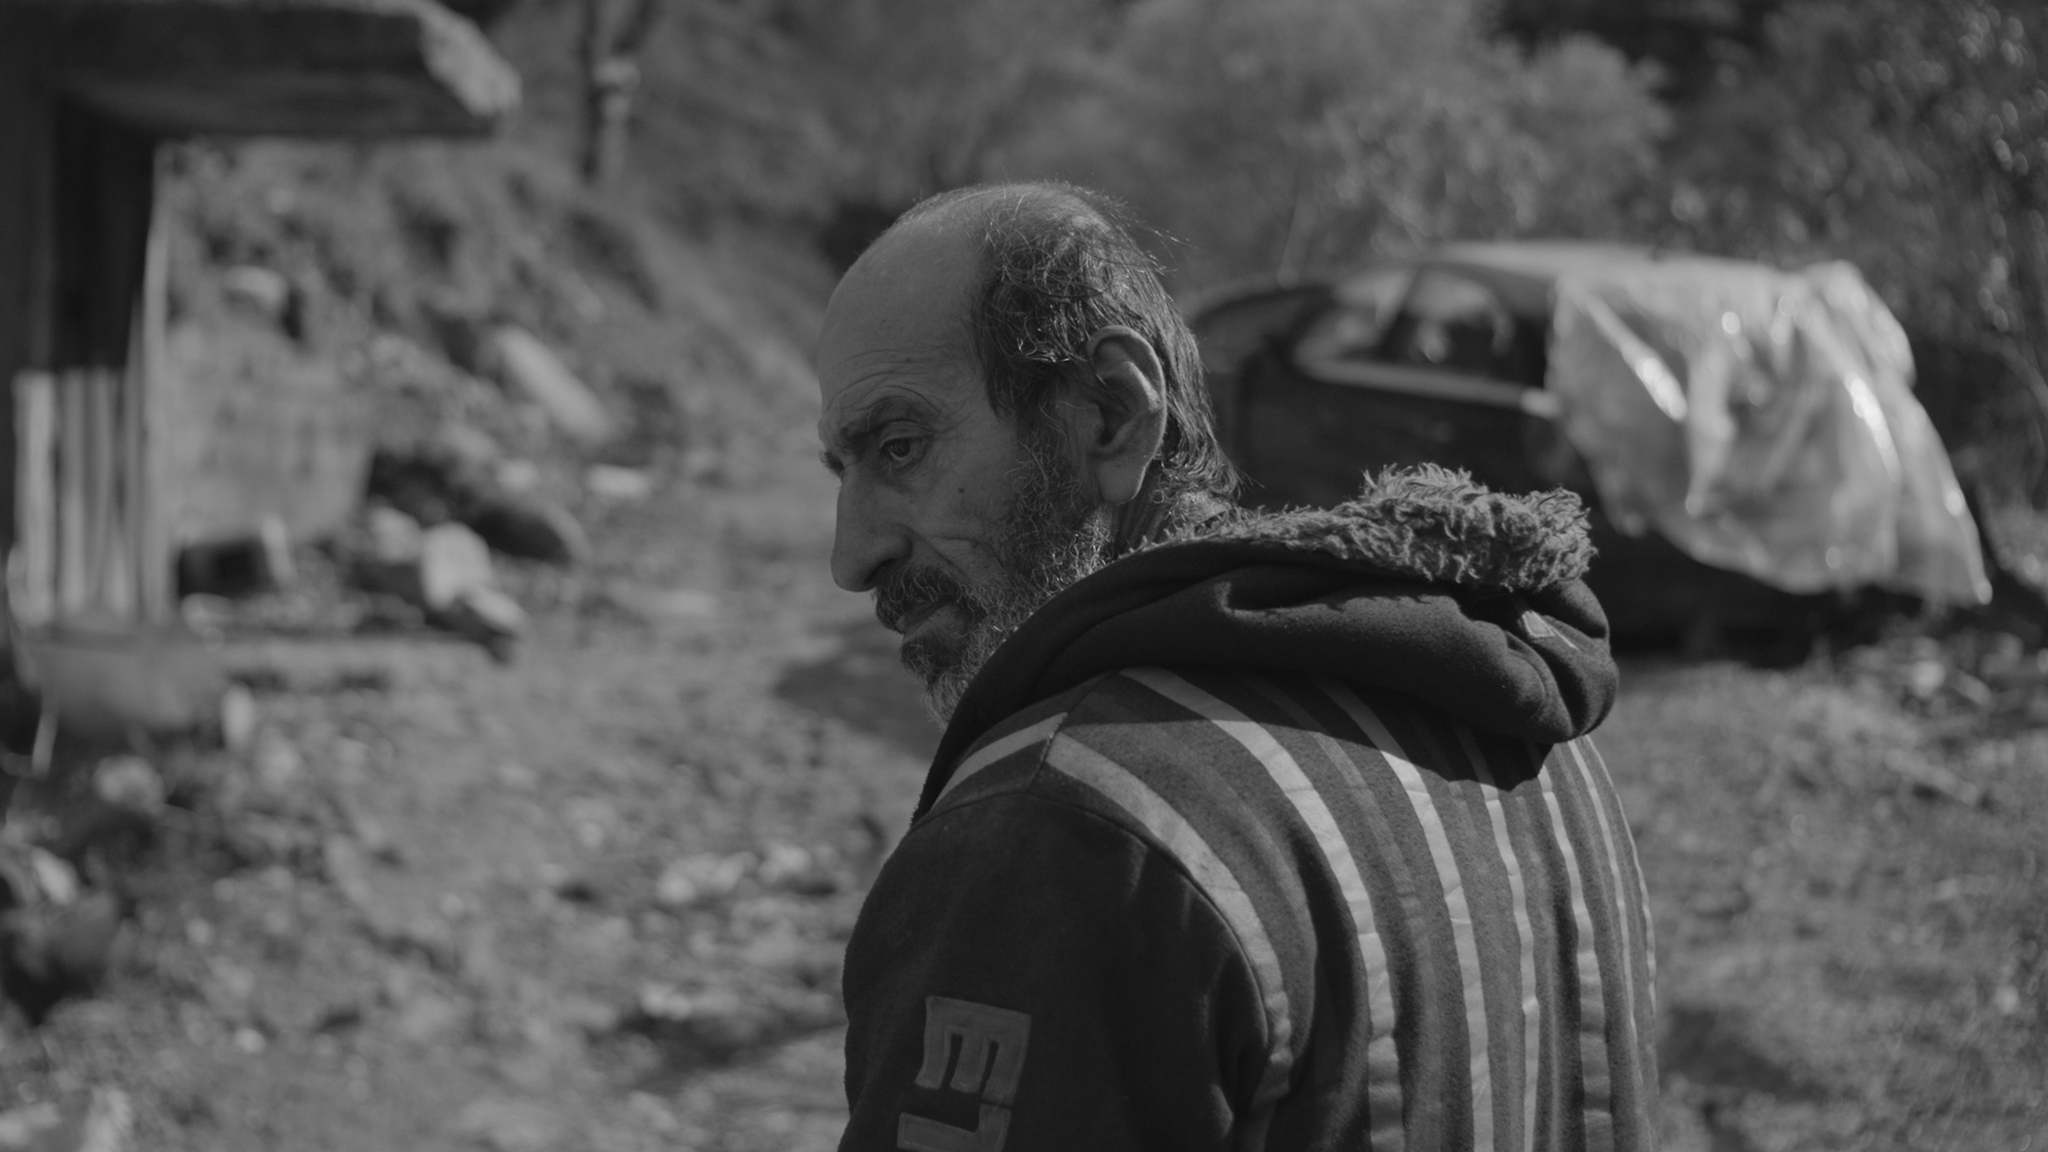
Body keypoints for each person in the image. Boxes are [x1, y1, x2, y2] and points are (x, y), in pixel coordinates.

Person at [815, 181, 1658, 1152]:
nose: (851, 556)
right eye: (842, 470)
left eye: (900, 447)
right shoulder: (1541, 747)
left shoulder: (1057, 834)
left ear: (1109, 415)